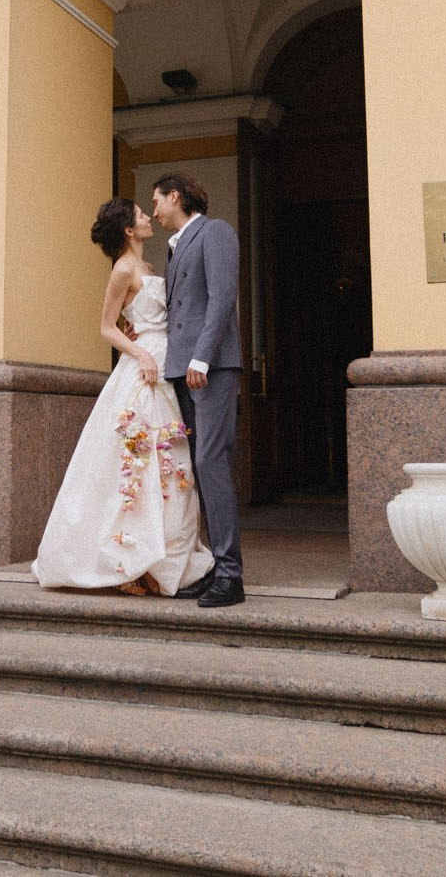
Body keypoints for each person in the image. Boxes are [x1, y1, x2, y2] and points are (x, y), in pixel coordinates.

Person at [29, 199, 214, 596]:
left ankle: (160, 559)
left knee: (170, 457)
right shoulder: (123, 270)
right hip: (143, 370)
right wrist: (141, 353)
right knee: (138, 459)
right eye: (140, 214)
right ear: (129, 230)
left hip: (167, 366)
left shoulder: (149, 266)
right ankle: (127, 559)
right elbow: (106, 327)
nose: (148, 216)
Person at [152, 173, 244, 608]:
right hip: (182, 371)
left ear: (176, 196)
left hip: (210, 368)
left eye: (157, 202)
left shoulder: (216, 231)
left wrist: (202, 358)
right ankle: (212, 569)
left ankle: (231, 575)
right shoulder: (174, 247)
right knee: (199, 469)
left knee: (211, 460)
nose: (154, 212)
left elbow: (223, 297)